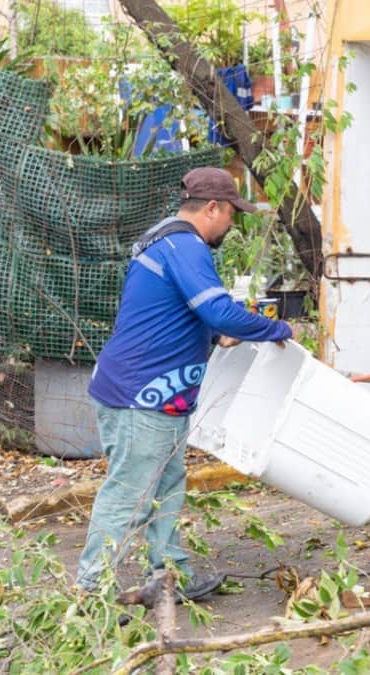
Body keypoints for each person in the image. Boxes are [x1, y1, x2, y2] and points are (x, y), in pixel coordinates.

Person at [77, 167, 293, 600]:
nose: (232, 224)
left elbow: (168, 310)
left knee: (166, 487)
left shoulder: (165, 238)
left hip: (156, 395)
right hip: (140, 394)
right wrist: (281, 330)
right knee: (131, 493)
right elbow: (219, 311)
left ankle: (168, 576)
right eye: (231, 213)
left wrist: (216, 335)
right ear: (212, 207)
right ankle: (91, 593)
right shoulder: (184, 245)